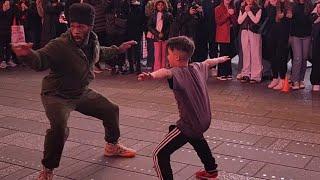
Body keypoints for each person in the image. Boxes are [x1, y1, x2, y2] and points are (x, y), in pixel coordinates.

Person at [11, 3, 137, 180]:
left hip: (80, 92)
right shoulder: (59, 45)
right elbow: (40, 60)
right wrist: (26, 54)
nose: (76, 30)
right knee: (59, 129)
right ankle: (47, 170)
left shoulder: (92, 40)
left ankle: (112, 146)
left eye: (81, 26)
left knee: (111, 109)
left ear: (90, 27)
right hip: (57, 95)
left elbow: (98, 52)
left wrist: (119, 49)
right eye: (73, 26)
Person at [138, 36, 230, 180]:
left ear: (176, 57)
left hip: (190, 124)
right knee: (196, 137)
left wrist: (151, 75)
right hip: (204, 120)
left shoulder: (177, 72)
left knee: (159, 153)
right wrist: (220, 59)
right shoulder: (197, 67)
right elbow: (209, 62)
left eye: (168, 54)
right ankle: (211, 170)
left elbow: (165, 72)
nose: (167, 57)